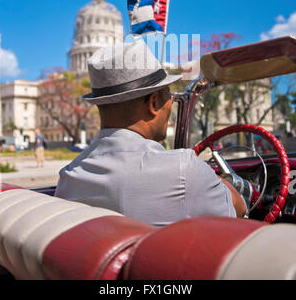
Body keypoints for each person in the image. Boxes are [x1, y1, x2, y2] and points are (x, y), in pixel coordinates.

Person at [55, 41, 246, 227]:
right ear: (154, 103)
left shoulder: (69, 178)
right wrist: (223, 181)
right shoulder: (183, 170)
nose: (171, 105)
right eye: (169, 96)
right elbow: (239, 209)